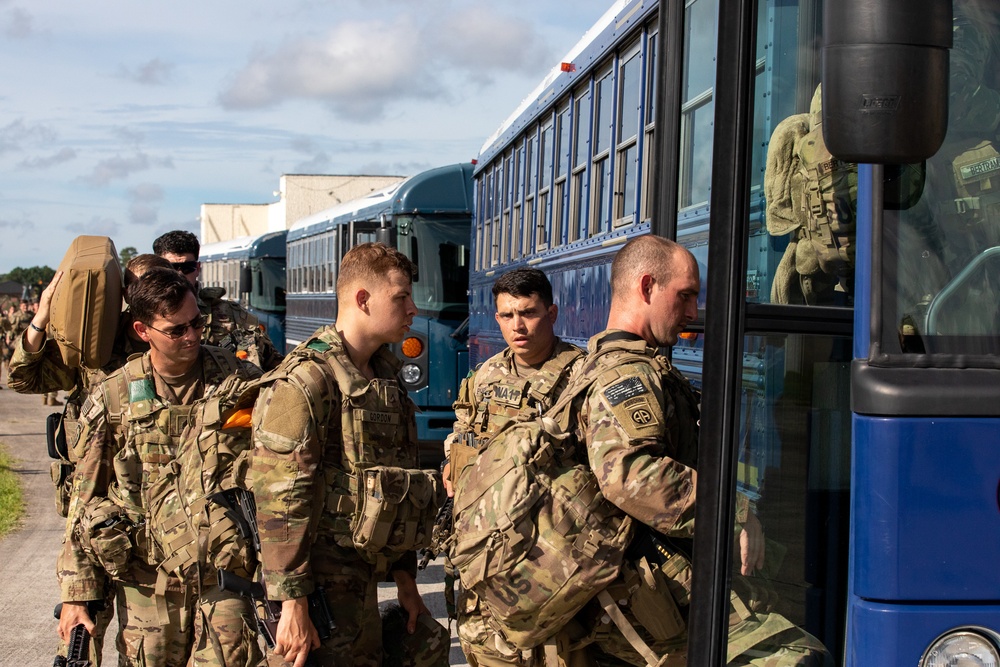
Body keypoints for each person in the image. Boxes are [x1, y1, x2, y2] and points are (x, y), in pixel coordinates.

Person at [569, 235, 829, 666]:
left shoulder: (603, 360)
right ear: (647, 286)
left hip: (647, 580)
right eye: (685, 296)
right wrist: (734, 511)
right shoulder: (626, 374)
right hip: (644, 592)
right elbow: (628, 472)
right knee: (796, 657)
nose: (693, 313)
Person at [249, 242, 449, 667]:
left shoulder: (386, 377)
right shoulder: (305, 381)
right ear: (363, 299)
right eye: (401, 297)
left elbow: (398, 482)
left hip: (362, 581)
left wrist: (406, 581)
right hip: (318, 589)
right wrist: (292, 604)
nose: (413, 308)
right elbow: (279, 502)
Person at [56, 268, 263, 667]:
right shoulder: (115, 397)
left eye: (197, 323)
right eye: (176, 329)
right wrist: (76, 596)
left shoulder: (240, 383)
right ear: (142, 329)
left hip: (225, 578)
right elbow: (84, 501)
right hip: (147, 583)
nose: (192, 336)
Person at [444, 267, 584, 667]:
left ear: (552, 313)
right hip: (491, 549)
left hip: (551, 553)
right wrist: (453, 456)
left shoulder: (581, 377)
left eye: (528, 312)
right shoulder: (486, 376)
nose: (516, 326)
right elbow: (464, 433)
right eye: (506, 315)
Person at [153, 230, 283, 370]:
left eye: (187, 268)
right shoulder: (146, 314)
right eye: (172, 268)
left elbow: (274, 365)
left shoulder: (233, 316)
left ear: (197, 268)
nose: (179, 274)